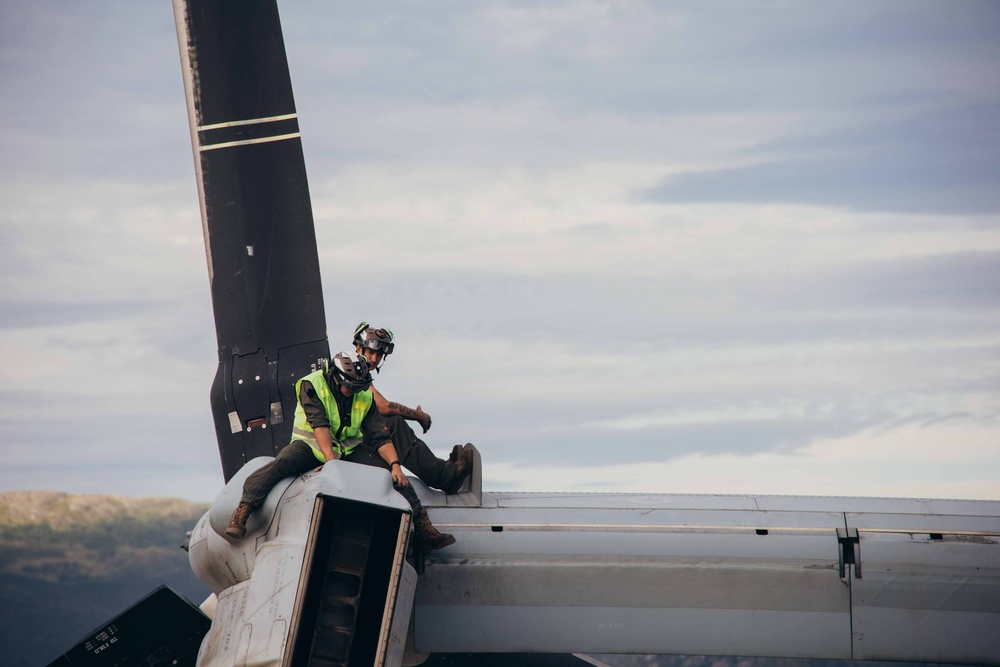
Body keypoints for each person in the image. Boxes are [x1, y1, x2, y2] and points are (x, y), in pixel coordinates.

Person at [225, 351, 455, 550]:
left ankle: (424, 528)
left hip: (348, 449)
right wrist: (331, 464)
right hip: (312, 446)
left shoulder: (363, 393)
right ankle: (243, 510)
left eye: (358, 387)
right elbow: (320, 425)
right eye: (349, 386)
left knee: (390, 476)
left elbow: (379, 435)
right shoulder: (312, 385)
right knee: (280, 465)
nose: (353, 391)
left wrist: (396, 466)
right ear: (336, 377)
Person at [353, 322, 474, 494]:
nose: (374, 359)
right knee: (393, 424)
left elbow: (377, 404)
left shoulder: (357, 370)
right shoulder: (353, 371)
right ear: (359, 349)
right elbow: (383, 407)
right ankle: (447, 477)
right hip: (346, 445)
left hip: (349, 440)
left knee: (389, 422)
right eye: (371, 352)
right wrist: (418, 415)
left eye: (379, 355)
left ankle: (441, 469)